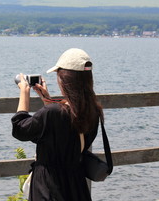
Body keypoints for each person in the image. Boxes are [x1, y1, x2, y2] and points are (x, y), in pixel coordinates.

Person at [11, 48, 104, 201]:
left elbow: (20, 129)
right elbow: (66, 131)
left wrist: (24, 93)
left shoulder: (52, 112)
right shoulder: (93, 110)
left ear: (64, 79)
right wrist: (48, 101)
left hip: (49, 186)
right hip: (76, 186)